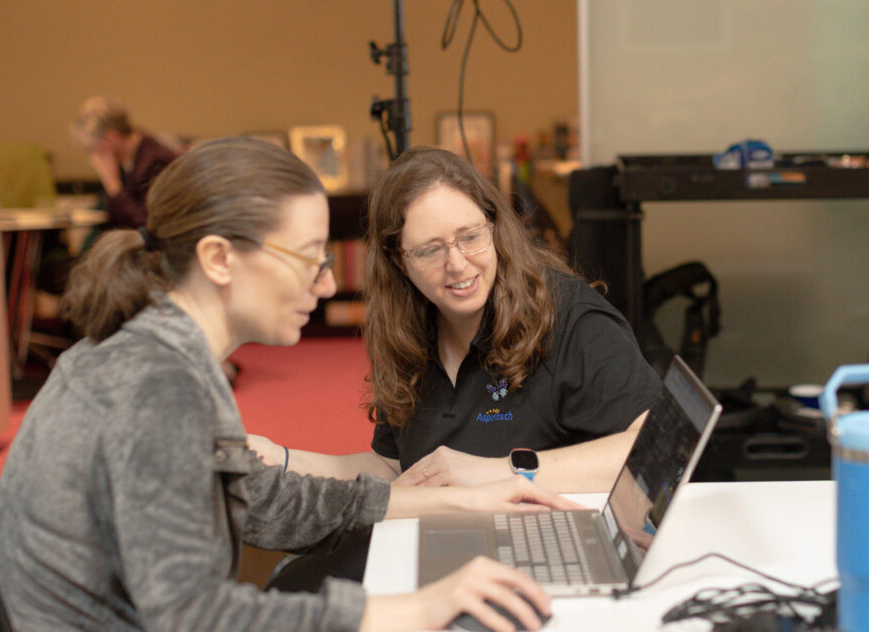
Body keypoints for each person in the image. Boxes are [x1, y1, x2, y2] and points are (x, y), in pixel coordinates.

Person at [0, 137, 575, 632]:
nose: (324, 286)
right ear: (218, 258)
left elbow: (257, 496)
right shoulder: (159, 387)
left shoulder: (144, 351)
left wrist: (449, 500)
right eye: (308, 258)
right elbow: (197, 625)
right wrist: (417, 605)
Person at [254, 146, 660, 493]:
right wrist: (281, 458)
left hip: (553, 539)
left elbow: (654, 446)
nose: (458, 265)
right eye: (431, 250)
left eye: (470, 236)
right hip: (448, 534)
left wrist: (496, 473)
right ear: (400, 261)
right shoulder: (408, 330)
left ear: (495, 227)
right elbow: (395, 470)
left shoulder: (570, 317)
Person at [72, 95, 179, 231]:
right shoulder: (126, 160)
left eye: (93, 148)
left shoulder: (156, 161)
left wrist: (113, 185)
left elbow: (145, 226)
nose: (93, 158)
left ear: (111, 138)